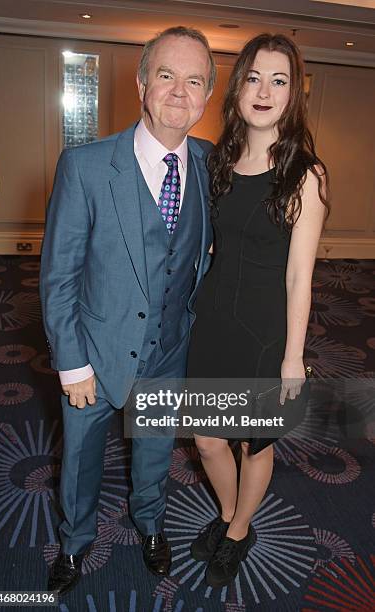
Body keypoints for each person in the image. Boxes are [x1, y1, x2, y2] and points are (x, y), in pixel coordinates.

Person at [40, 26, 215, 595]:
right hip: (96, 351)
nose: (179, 92)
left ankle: (151, 525)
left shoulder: (212, 166)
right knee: (81, 460)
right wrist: (72, 363)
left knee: (155, 455)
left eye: (195, 81)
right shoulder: (86, 166)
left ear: (208, 97)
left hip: (168, 350)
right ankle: (74, 540)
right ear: (142, 83)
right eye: (167, 75)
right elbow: (59, 276)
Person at [187, 33, 329, 588]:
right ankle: (226, 513)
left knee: (253, 439)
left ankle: (241, 527)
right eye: (254, 78)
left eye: (279, 80)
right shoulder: (217, 159)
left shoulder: (306, 176)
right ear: (238, 87)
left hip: (266, 330)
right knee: (206, 437)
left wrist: (293, 359)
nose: (265, 91)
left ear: (293, 95)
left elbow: (300, 276)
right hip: (214, 317)